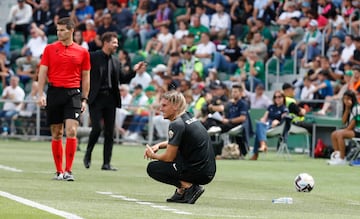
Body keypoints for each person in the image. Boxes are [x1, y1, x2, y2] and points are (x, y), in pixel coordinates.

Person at [37, 17, 91, 181]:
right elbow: (42, 72)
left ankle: (68, 170)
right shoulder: (49, 49)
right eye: (57, 30)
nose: (58, 33)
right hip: (54, 92)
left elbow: (86, 77)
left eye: (62, 30)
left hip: (73, 94)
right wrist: (40, 93)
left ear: (71, 30)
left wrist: (84, 99)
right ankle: (59, 171)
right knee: (57, 133)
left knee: (72, 131)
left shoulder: (82, 52)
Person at [144, 90, 216, 204]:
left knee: (153, 168)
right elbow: (179, 141)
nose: (161, 109)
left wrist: (153, 155)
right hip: (208, 171)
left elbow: (169, 158)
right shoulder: (187, 116)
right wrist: (159, 145)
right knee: (178, 153)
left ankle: (189, 187)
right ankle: (181, 192)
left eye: (164, 105)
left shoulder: (176, 124)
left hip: (199, 172)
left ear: (176, 106)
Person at [83, 32, 136, 171]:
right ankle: (88, 153)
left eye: (117, 43)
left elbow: (123, 79)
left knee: (109, 132)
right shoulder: (93, 56)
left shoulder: (116, 61)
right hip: (96, 98)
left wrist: (133, 71)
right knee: (96, 128)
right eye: (114, 42)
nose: (116, 45)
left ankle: (106, 163)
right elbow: (83, 73)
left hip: (110, 99)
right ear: (105, 43)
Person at [250, 90, 288, 160]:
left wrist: (278, 122)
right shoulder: (271, 107)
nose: (277, 99)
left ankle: (256, 153)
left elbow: (284, 118)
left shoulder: (284, 108)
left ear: (283, 98)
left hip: (275, 127)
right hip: (267, 125)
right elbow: (264, 117)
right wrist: (262, 120)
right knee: (259, 124)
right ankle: (263, 145)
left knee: (259, 129)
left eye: (279, 97)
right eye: (275, 97)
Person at [328, 90, 360, 165]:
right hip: (353, 131)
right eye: (344, 98)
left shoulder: (357, 108)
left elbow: (354, 122)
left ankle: (342, 159)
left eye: (348, 98)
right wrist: (347, 109)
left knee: (340, 134)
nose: (346, 101)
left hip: (358, 130)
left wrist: (344, 131)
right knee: (334, 134)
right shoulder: (348, 108)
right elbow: (343, 121)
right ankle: (337, 156)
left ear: (352, 99)